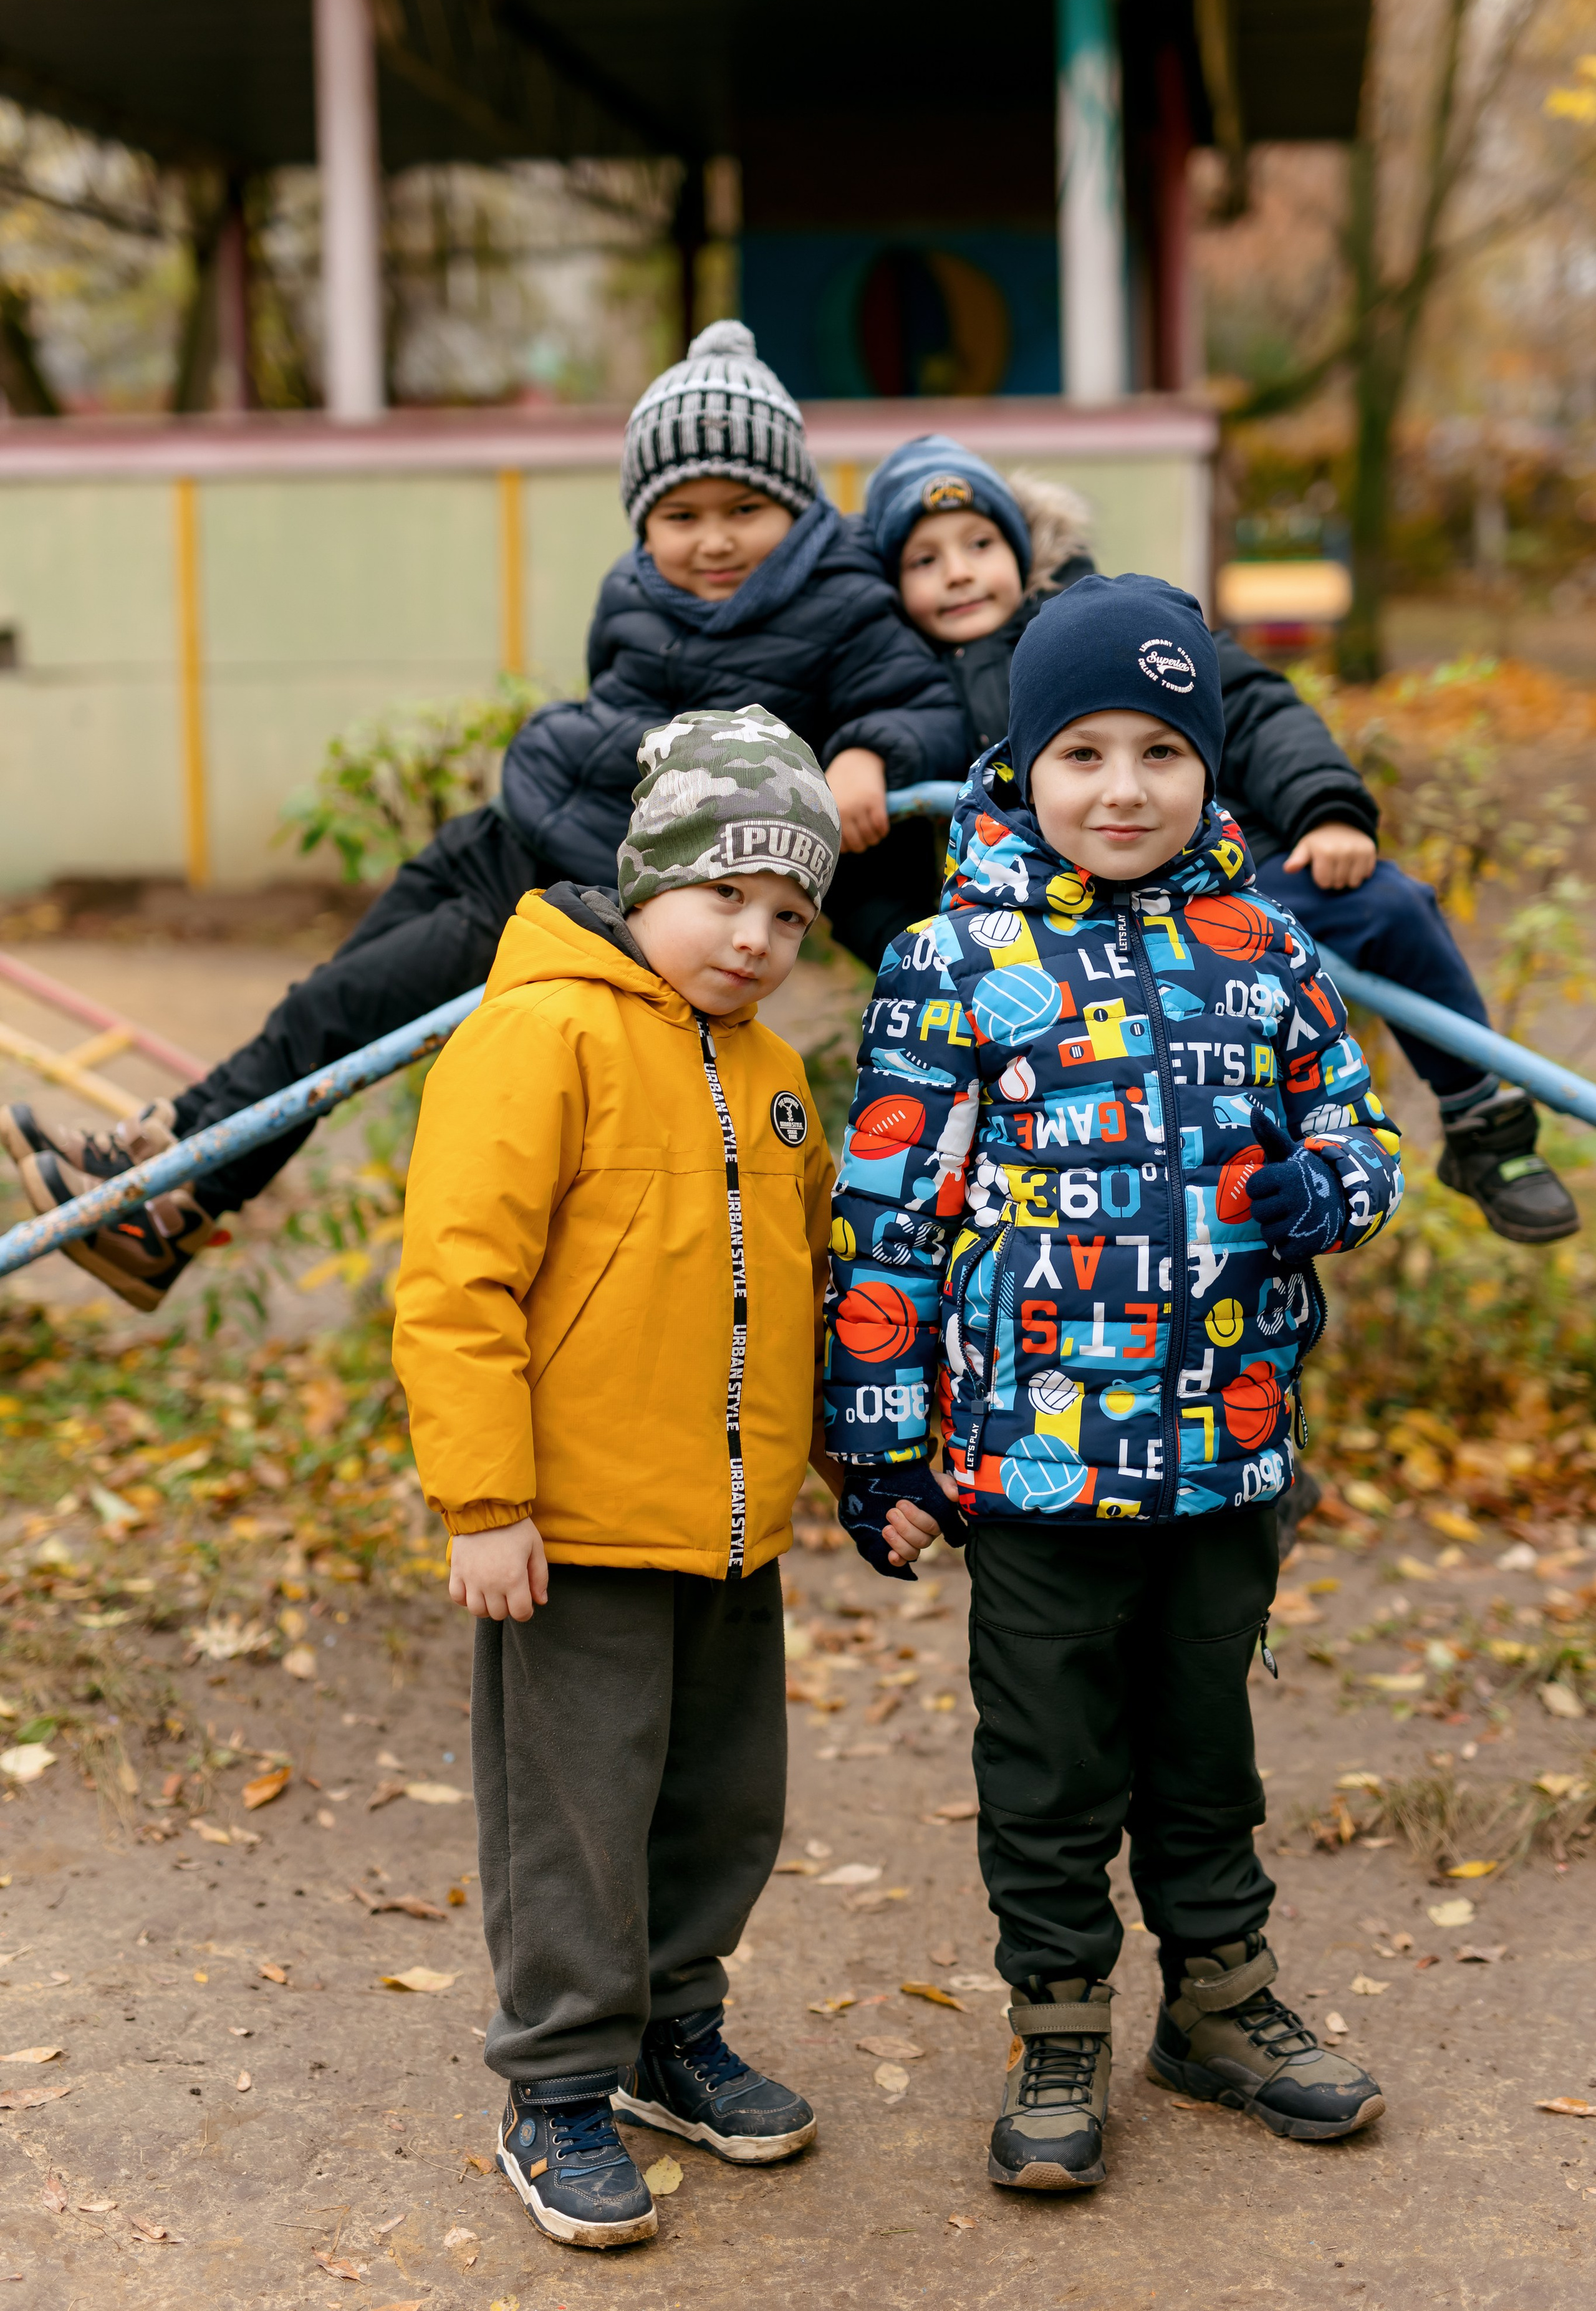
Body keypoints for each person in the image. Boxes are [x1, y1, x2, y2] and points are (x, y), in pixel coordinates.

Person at [1, 323, 963, 1311]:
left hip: (562, 889)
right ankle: (172, 1167)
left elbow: (920, 705)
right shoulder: (634, 594)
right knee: (321, 1002)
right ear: (643, 522)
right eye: (680, 514)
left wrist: (864, 757)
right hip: (504, 834)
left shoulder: (841, 599)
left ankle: (172, 1199)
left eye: (744, 508)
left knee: (347, 1014)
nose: (712, 540)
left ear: (796, 507)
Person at [825, 574, 1401, 2195]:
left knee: (1205, 1744)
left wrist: (1330, 1191)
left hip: (1223, 1450)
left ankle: (1219, 2005)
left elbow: (1358, 1132)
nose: (1125, 787)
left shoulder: (1266, 953)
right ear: (1022, 765)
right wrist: (878, 1450)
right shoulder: (953, 957)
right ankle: (1060, 2018)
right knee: (1053, 1756)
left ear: (1214, 769)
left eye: (1163, 750)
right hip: (1027, 1461)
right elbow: (890, 1218)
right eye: (1083, 751)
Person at [392, 709, 839, 2252]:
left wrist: (839, 1465)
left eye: (790, 914)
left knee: (718, 1804)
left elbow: (796, 1281)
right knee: (576, 1813)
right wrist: (484, 1501)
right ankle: (559, 2083)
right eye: (726, 894)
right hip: (567, 1528)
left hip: (728, 1531)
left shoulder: (775, 1072)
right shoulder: (538, 1035)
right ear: (644, 876)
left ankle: (669, 2031)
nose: (757, 936)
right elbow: (459, 1282)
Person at [862, 431, 1578, 1252]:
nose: (957, 571)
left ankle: (1482, 1120)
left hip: (1246, 868)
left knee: (1386, 904)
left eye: (980, 544)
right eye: (925, 560)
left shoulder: (1125, 625)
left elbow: (1263, 712)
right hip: (1070, 923)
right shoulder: (913, 685)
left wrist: (1326, 809)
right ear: (890, 586)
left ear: (1026, 547)